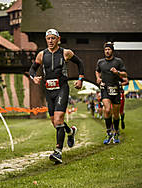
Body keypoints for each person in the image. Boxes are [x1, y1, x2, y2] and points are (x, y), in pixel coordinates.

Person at [29, 28, 84, 164]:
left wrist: (80, 79)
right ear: (46, 40)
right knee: (55, 122)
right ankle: (70, 132)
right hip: (49, 91)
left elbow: (80, 63)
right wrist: (33, 78)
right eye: (48, 38)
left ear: (58, 39)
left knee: (59, 119)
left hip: (62, 89)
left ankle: (58, 152)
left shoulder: (66, 53)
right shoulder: (41, 55)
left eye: (53, 38)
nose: (50, 41)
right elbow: (32, 69)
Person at [95, 42, 127, 144]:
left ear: (112, 50)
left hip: (116, 89)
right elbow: (97, 71)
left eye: (109, 49)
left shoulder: (118, 61)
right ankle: (109, 133)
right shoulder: (100, 62)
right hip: (105, 88)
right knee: (107, 110)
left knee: (116, 114)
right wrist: (98, 78)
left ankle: (116, 132)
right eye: (105, 50)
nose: (107, 51)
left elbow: (125, 74)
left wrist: (117, 72)